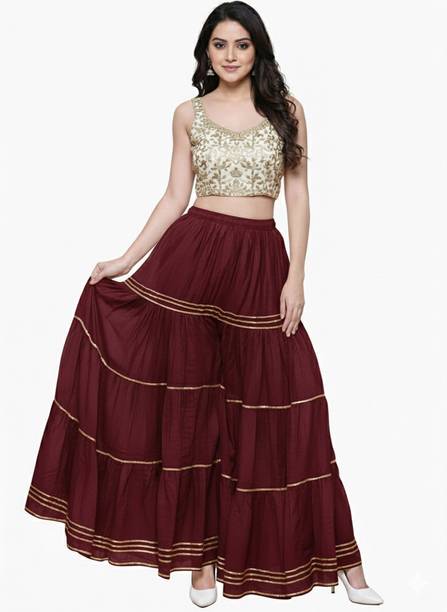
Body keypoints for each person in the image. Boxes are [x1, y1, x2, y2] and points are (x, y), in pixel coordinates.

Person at [24, 1, 383, 606]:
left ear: (258, 49)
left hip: (259, 265)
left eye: (242, 44)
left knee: (286, 402)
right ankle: (201, 560)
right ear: (206, 52)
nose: (231, 55)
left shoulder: (287, 110)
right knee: (194, 413)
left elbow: (298, 193)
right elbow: (174, 197)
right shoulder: (186, 114)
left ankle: (343, 557)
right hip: (192, 262)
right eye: (220, 44)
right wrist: (124, 260)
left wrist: (296, 276)